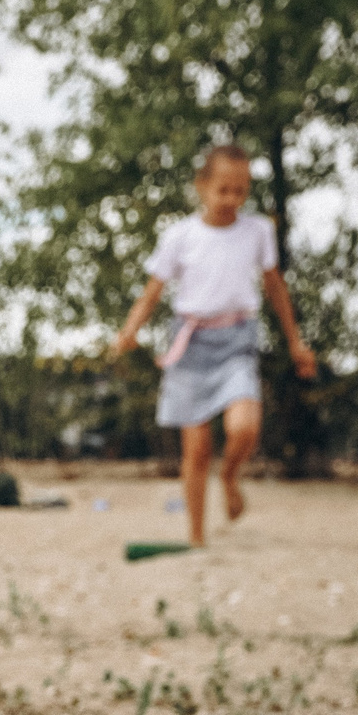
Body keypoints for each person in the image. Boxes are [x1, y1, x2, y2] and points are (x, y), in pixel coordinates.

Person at [111, 141, 318, 547]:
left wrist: (296, 342)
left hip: (237, 338)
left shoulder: (258, 231)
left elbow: (275, 287)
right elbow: (153, 291)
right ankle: (196, 538)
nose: (231, 199)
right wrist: (129, 330)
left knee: (244, 427)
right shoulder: (181, 235)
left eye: (240, 191)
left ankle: (229, 475)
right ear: (201, 186)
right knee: (197, 450)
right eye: (223, 189)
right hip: (190, 343)